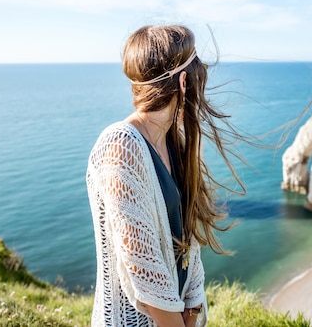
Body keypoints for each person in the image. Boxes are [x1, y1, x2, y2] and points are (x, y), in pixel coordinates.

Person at [86, 25, 245, 327]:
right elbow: (144, 275)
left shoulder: (175, 141)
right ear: (184, 82)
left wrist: (194, 310)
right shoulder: (121, 146)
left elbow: (190, 242)